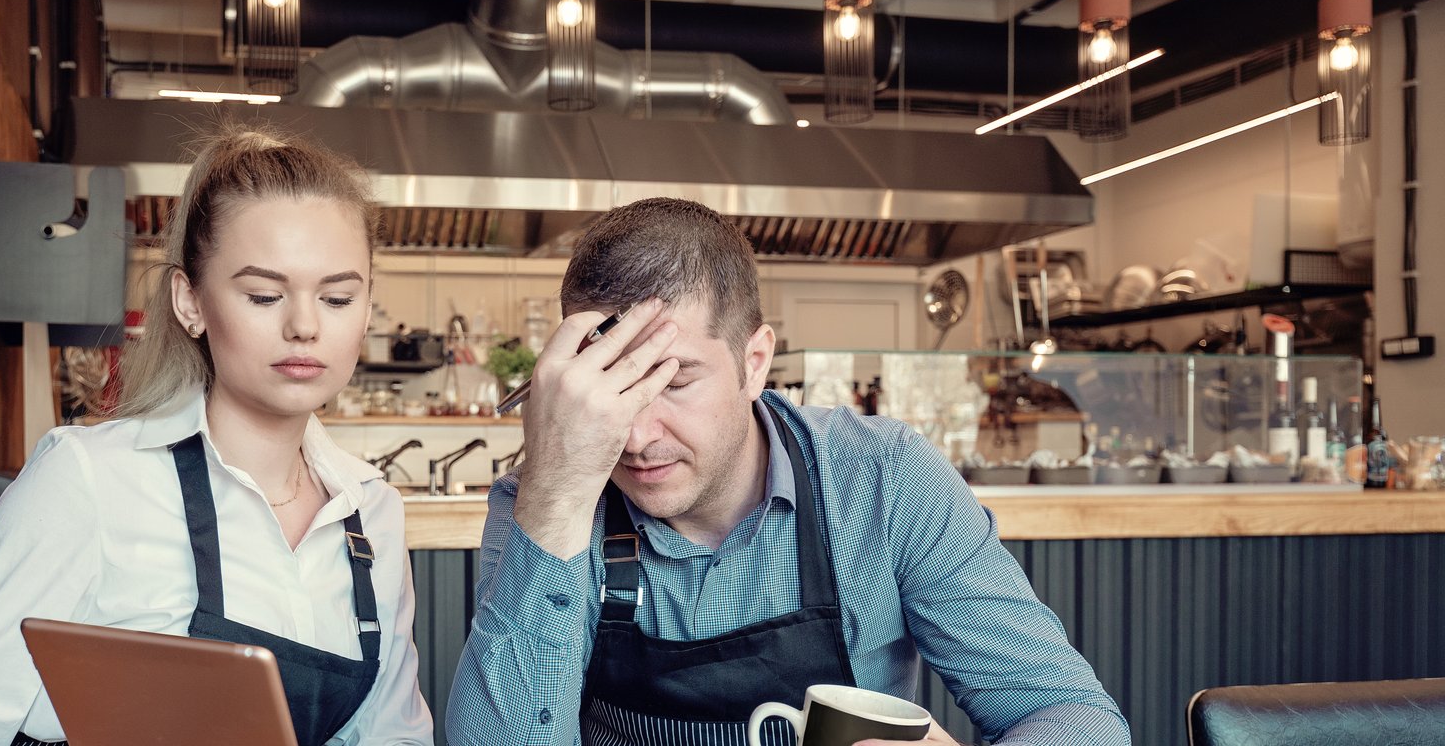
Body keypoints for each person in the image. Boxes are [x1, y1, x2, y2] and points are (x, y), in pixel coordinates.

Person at [444, 198, 1128, 746]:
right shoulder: (545, 501)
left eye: (675, 381)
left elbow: (1072, 713)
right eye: (612, 389)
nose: (638, 436)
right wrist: (557, 493)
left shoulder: (883, 479)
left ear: (756, 361)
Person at [0, 128, 434, 745]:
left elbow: (392, 736)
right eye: (265, 295)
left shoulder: (370, 510)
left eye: (337, 297)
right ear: (190, 302)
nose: (304, 325)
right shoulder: (88, 480)